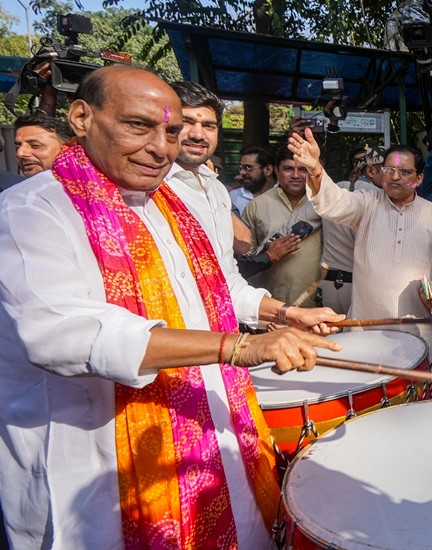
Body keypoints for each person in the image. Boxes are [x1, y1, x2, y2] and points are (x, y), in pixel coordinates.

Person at [0, 65, 341, 548]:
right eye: (139, 126)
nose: (162, 147)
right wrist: (239, 347)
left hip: (206, 431)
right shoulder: (32, 211)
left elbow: (219, 289)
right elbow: (63, 334)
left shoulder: (169, 205)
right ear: (81, 117)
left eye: (171, 132)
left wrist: (287, 314)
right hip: (97, 470)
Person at [288, 131, 432, 372]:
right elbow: (335, 202)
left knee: (418, 393)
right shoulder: (367, 203)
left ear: (419, 178)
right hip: (366, 331)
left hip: (420, 331)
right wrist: (316, 169)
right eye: (389, 170)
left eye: (404, 172)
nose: (395, 177)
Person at [165, 81, 312, 330]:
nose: (198, 134)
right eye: (187, 122)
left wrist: (287, 314)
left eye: (209, 125)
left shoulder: (216, 189)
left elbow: (227, 282)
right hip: (172, 332)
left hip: (223, 330)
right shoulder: (149, 187)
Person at [242, 147, 323, 307]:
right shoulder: (256, 206)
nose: (295, 175)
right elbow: (246, 258)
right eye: (288, 169)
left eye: (302, 169)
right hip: (270, 305)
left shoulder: (323, 205)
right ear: (276, 170)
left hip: (314, 306)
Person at [319, 143, 386, 314]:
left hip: (330, 285)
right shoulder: (381, 198)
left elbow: (302, 222)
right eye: (388, 169)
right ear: (372, 170)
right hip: (361, 287)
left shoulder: (336, 189)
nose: (394, 176)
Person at [230, 145, 276, 215]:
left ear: (268, 170)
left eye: (248, 167)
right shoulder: (231, 197)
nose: (242, 172)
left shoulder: (286, 196)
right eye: (241, 167)